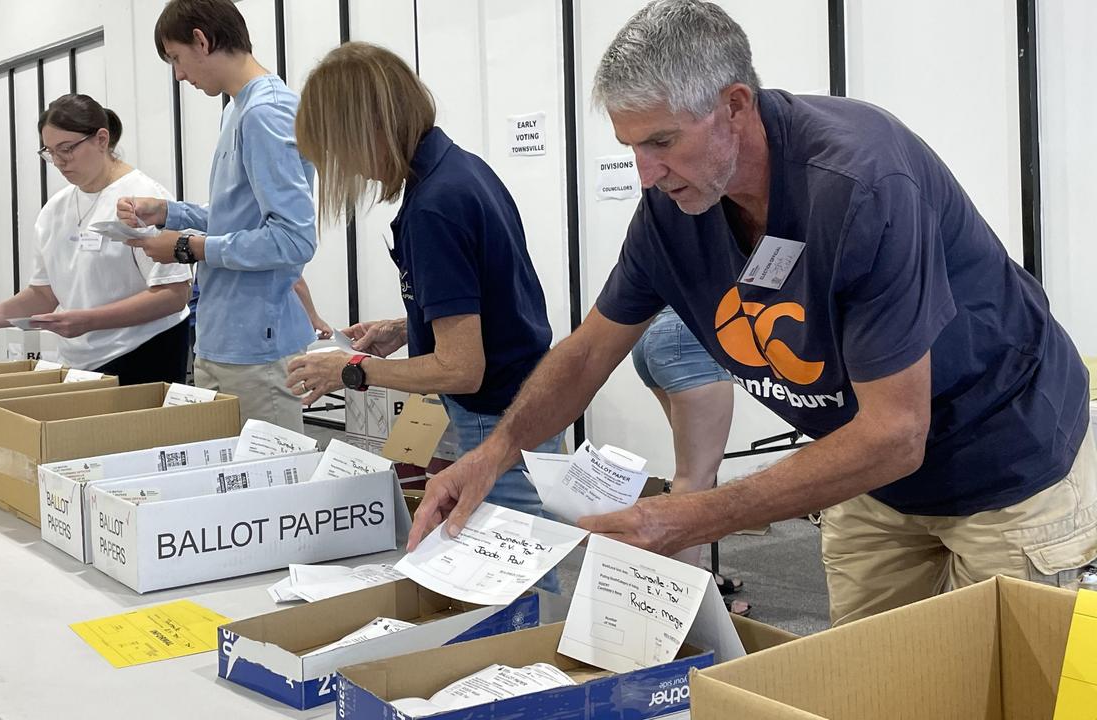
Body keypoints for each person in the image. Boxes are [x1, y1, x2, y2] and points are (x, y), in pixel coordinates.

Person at [409, 0, 1094, 626]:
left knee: (1006, 687)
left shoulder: (859, 185)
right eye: (631, 148)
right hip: (873, 477)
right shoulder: (674, 211)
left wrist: (691, 514)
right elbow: (590, 351)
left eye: (662, 142)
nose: (646, 174)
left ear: (735, 106)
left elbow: (898, 431)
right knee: (869, 679)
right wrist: (494, 455)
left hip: (1005, 460)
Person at [284, 42, 562, 531]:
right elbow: (488, 303)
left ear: (365, 129)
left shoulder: (434, 206)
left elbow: (462, 369)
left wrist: (352, 370)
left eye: (339, 149)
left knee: (512, 572)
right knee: (524, 554)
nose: (346, 168)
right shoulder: (462, 170)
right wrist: (406, 327)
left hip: (494, 415)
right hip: (527, 401)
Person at [119, 0, 315, 431]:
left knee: (270, 493)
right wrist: (169, 213)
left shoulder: (265, 112)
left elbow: (293, 239)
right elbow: (238, 217)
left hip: (256, 351)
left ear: (201, 41)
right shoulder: (236, 109)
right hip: (221, 340)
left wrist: (189, 247)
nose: (179, 75)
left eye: (176, 58)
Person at [0, 95, 190, 383]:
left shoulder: (146, 199)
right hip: (80, 363)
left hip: (146, 353)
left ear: (101, 139)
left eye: (67, 149)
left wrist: (89, 320)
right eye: (50, 152)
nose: (58, 162)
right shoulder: (55, 210)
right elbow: (45, 294)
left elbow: (173, 293)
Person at [631, 306, 748, 614]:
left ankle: (693, 578)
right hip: (693, 336)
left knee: (693, 475)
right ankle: (684, 604)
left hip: (652, 333)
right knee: (694, 480)